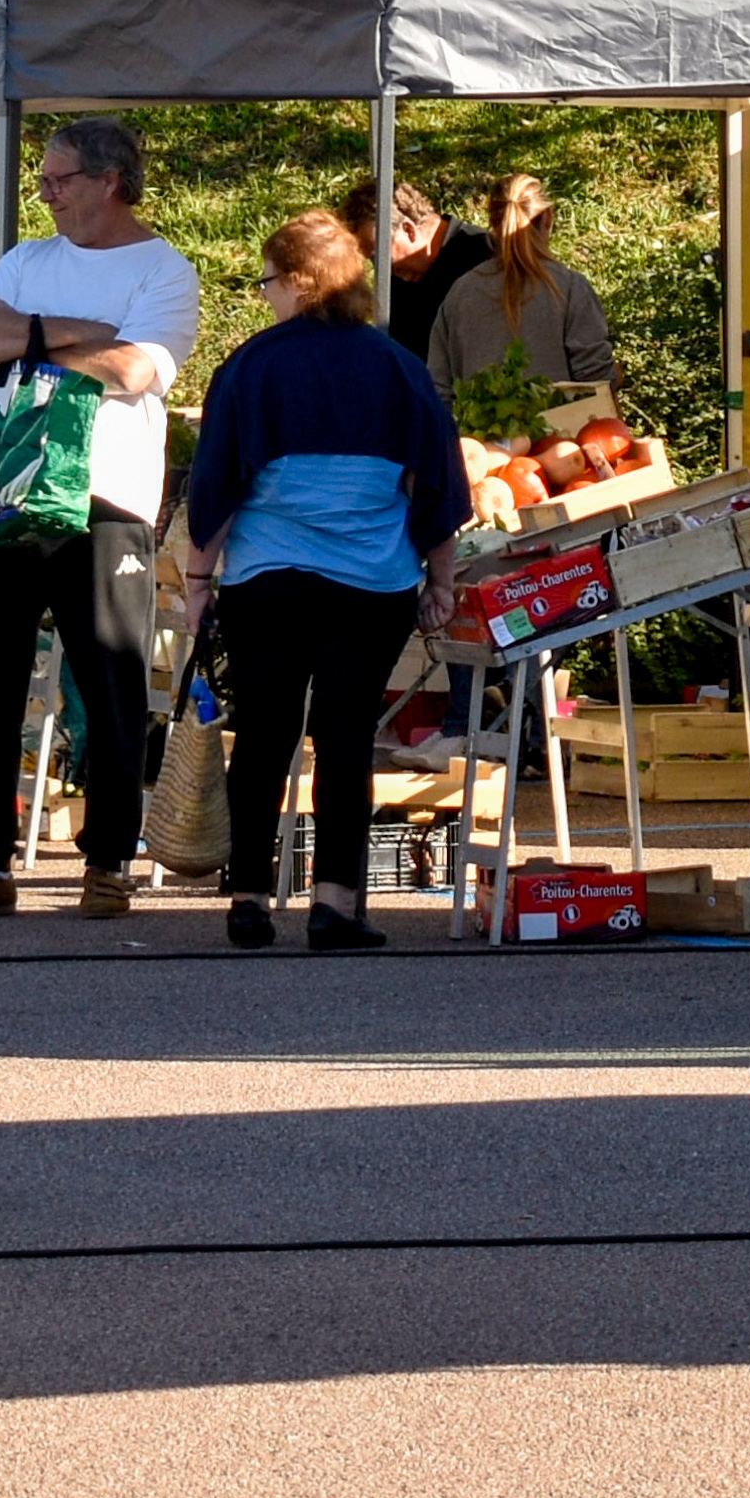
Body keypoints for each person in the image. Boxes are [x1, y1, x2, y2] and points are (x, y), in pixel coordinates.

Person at [0, 118, 200, 920]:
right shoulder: (26, 260)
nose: (44, 194)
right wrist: (65, 334)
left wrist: (20, 345)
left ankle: (109, 859)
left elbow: (131, 369)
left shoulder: (163, 271)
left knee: (110, 680)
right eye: (43, 180)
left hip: (104, 498)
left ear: (110, 181)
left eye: (59, 180)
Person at [183, 212, 469, 952]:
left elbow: (218, 482)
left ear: (302, 283)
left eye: (270, 281)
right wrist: (440, 578)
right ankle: (337, 906)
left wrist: (195, 578)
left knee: (266, 736)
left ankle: (248, 899)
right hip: (371, 583)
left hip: (266, 578)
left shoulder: (251, 365)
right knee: (345, 739)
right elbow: (436, 483)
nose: (266, 295)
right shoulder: (398, 366)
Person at [417, 172, 614, 396]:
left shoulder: (460, 293)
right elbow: (596, 382)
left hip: (476, 430)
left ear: (492, 223)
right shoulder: (569, 287)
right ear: (548, 216)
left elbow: (439, 386)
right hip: (561, 430)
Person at [336, 174, 493, 364]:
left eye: (378, 256)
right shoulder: (397, 276)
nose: (382, 268)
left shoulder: (482, 257)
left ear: (409, 230)